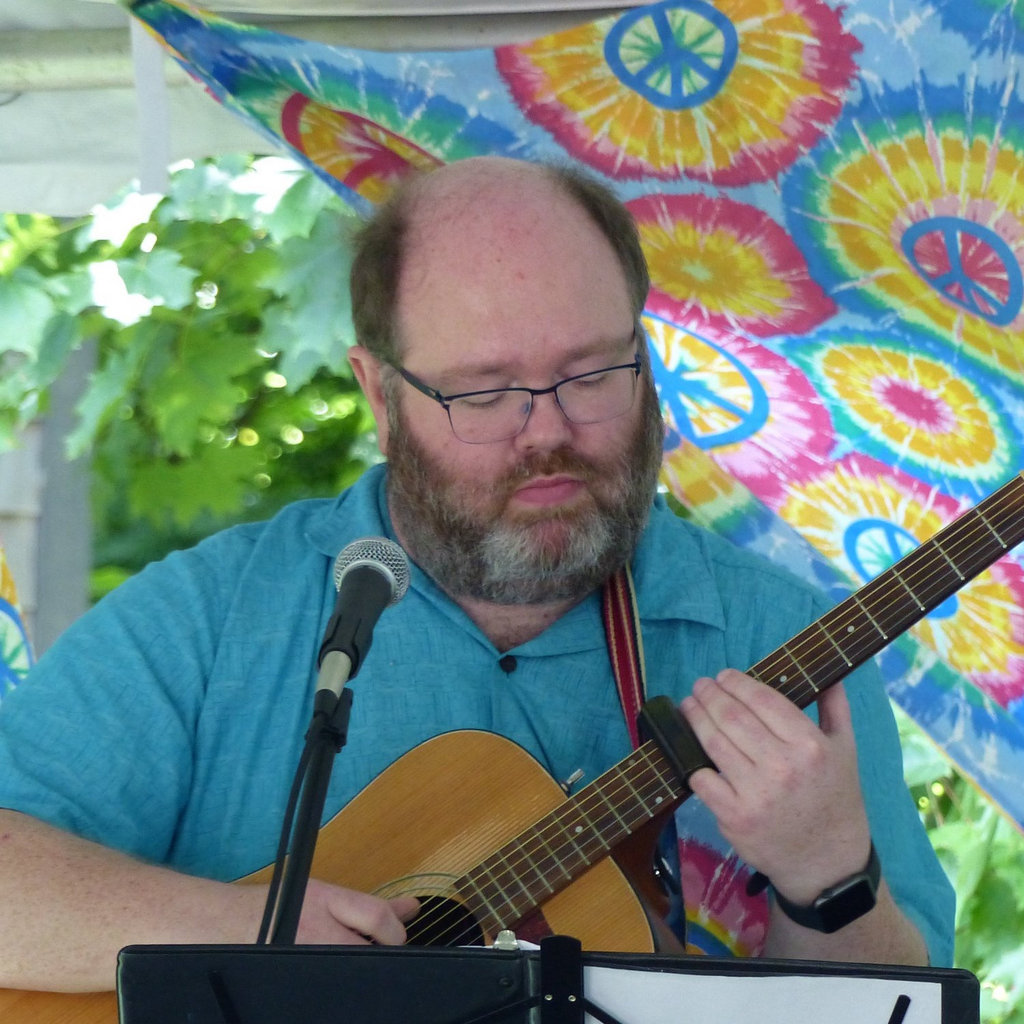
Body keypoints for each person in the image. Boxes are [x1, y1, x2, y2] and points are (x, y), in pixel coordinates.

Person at [0, 156, 953, 994]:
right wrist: (242, 933)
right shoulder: (210, 620)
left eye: (591, 374)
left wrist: (830, 879)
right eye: (486, 391)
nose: (548, 432)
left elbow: (904, 1008)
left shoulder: (777, 636)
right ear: (379, 394)